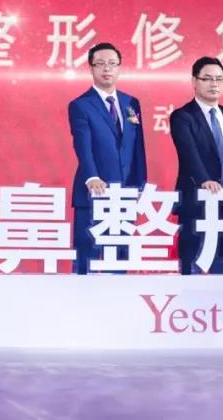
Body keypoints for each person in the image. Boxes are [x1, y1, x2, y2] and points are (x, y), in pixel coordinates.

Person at [67, 43, 147, 274]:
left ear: (119, 68)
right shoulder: (80, 105)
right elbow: (82, 145)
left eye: (112, 64)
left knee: (120, 258)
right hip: (94, 191)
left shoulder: (131, 103)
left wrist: (140, 183)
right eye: (100, 64)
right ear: (91, 68)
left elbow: (138, 147)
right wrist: (92, 177)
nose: (107, 69)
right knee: (87, 259)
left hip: (124, 192)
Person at [170, 57, 223, 274]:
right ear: (194, 82)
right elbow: (189, 153)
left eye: (219, 79)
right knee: (193, 263)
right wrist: (205, 180)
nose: (214, 84)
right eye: (208, 78)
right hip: (197, 199)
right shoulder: (183, 116)